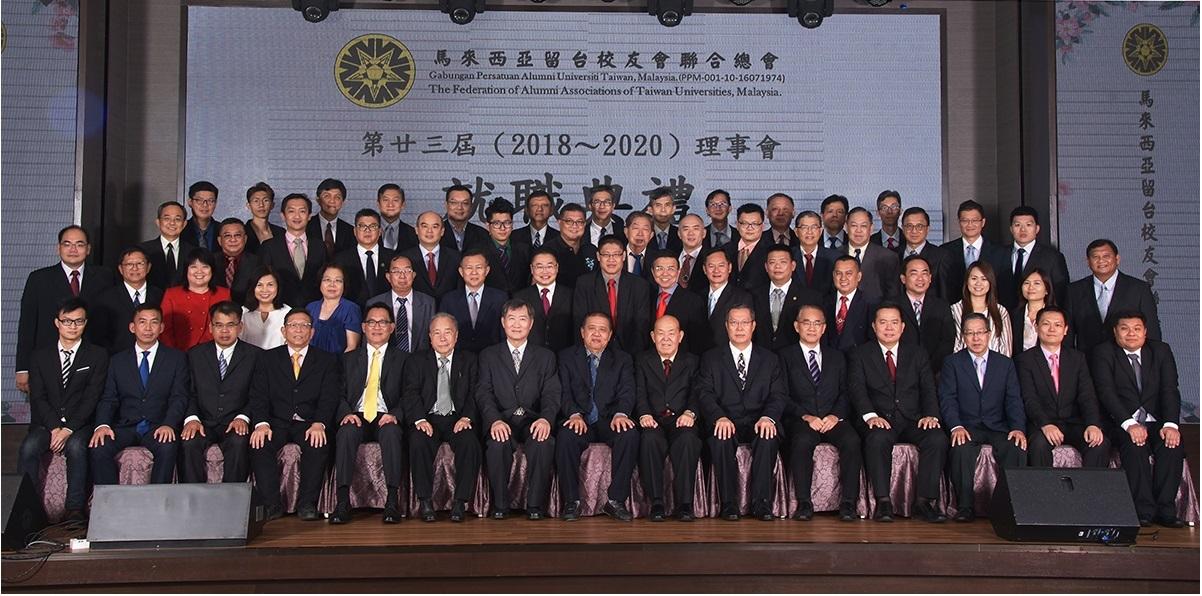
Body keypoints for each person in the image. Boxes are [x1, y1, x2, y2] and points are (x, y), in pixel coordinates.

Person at [849, 302, 947, 523]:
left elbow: (928, 388)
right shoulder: (861, 354)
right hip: (879, 419)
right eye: (883, 322)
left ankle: (924, 502)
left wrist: (931, 414)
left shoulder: (917, 353)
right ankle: (883, 502)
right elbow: (856, 389)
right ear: (874, 326)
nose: (889, 328)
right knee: (877, 438)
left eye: (894, 322)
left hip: (912, 419)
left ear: (903, 327)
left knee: (937, 438)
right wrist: (870, 416)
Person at [1092, 311, 1184, 528]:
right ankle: (1143, 510)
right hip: (1121, 422)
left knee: (1172, 447)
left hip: (1156, 421)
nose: (1131, 333)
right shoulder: (1103, 352)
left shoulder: (1161, 350)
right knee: (1135, 447)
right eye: (1124, 328)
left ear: (1145, 331)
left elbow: (1170, 389)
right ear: (1115, 331)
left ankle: (1166, 510)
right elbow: (1106, 392)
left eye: (1137, 328)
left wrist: (1171, 424)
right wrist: (1129, 423)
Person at [18, 298, 108, 521]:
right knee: (29, 448)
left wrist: (68, 428)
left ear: (85, 323)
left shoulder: (97, 355)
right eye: (67, 321)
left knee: (77, 447)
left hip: (80, 423)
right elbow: (38, 396)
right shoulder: (40, 356)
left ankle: (75, 510)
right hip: (46, 423)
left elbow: (92, 397)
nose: (73, 326)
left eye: (78, 321)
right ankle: (24, 510)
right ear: (57, 323)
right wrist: (54, 427)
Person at [695, 303, 786, 521]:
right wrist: (719, 417)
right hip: (727, 420)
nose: (739, 328)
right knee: (720, 437)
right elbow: (704, 393)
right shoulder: (711, 358)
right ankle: (728, 503)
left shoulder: (770, 359)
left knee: (768, 435)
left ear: (753, 326)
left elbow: (779, 395)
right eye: (734, 322)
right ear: (726, 326)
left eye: (744, 322)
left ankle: (761, 503)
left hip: (759, 420)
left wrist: (768, 417)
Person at [249, 309, 342, 521]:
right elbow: (258, 395)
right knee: (259, 444)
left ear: (312, 332)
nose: (298, 330)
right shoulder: (267, 359)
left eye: (304, 326)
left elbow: (330, 397)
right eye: (293, 325)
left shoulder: (326, 360)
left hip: (309, 422)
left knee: (318, 444)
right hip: (276, 422)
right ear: (283, 330)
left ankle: (307, 503)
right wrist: (261, 423)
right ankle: (271, 504)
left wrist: (320, 423)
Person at [938, 313, 1026, 522]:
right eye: (970, 333)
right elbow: (947, 399)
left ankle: (1010, 507)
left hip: (997, 426)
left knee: (1015, 447)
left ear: (989, 334)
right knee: (960, 449)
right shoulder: (952, 363)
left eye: (980, 333)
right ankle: (965, 507)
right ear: (963, 336)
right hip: (967, 426)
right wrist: (955, 426)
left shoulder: (1005, 364)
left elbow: (1014, 399)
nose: (975, 338)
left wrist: (1017, 427)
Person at [476, 305, 561, 520]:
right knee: (496, 444)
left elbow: (552, 394)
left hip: (533, 419)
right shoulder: (488, 355)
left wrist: (545, 419)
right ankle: (501, 505)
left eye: (522, 319)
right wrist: (494, 420)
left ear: (531, 324)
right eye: (511, 319)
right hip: (502, 419)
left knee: (544, 442)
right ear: (503, 322)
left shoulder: (546, 356)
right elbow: (483, 393)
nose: (516, 324)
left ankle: (534, 505)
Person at [89, 304, 189, 486]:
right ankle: (112, 503)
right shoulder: (117, 361)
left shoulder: (176, 359)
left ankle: (158, 504)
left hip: (158, 426)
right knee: (100, 446)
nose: (148, 328)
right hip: (126, 426)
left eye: (154, 323)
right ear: (132, 327)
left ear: (162, 327)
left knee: (168, 447)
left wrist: (169, 424)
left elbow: (179, 396)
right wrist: (102, 424)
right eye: (142, 322)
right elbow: (109, 398)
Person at [779, 305, 860, 522]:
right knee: (801, 442)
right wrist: (806, 416)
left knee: (852, 440)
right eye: (807, 323)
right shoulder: (784, 357)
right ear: (797, 326)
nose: (812, 328)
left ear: (824, 328)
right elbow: (781, 395)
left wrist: (835, 416)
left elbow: (846, 392)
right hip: (802, 419)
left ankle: (849, 503)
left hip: (833, 418)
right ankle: (804, 503)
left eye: (817, 323)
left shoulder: (837, 357)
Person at [556, 312, 640, 522]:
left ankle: (615, 500)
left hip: (609, 420)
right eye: (592, 328)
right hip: (580, 419)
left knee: (629, 434)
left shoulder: (622, 359)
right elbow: (563, 392)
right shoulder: (566, 357)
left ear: (610, 335)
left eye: (603, 330)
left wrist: (621, 413)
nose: (597, 334)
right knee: (566, 436)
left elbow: (628, 391)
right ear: (582, 332)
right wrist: (574, 414)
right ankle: (572, 502)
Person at [330, 304, 408, 524]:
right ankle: (343, 501)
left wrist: (395, 414)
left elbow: (409, 394)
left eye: (383, 322)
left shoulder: (404, 359)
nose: (377, 327)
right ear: (363, 327)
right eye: (371, 322)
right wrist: (346, 412)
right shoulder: (348, 359)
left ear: (392, 327)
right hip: (357, 414)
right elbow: (337, 392)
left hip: (386, 415)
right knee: (345, 433)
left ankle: (392, 501)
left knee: (392, 433)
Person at [402, 312, 481, 523]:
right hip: (429, 418)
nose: (443, 338)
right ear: (429, 336)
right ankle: (425, 501)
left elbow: (476, 393)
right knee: (418, 441)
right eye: (437, 333)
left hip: (458, 418)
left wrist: (466, 418)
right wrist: (419, 419)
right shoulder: (416, 361)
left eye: (448, 333)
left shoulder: (470, 360)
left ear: (456, 336)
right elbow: (410, 393)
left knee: (470, 442)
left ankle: (460, 502)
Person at [17, 226, 113, 393]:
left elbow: (112, 323)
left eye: (80, 244)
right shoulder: (39, 279)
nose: (73, 249)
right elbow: (27, 326)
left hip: (93, 363)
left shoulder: (105, 276)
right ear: (58, 248)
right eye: (67, 244)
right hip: (49, 363)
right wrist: (23, 368)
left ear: (88, 249)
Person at [1016, 306, 1109, 469]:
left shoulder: (1077, 358)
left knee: (1099, 444)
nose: (1052, 329)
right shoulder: (1025, 360)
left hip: (1073, 422)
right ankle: (1045, 495)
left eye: (1058, 325)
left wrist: (1093, 424)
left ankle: (1089, 494)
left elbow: (1087, 396)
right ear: (1036, 327)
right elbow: (1028, 398)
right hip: (1042, 424)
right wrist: (1045, 424)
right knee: (1038, 445)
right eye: (1046, 324)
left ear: (1065, 330)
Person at [180, 302, 260, 484]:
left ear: (240, 327)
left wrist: (243, 417)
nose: (224, 331)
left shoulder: (256, 356)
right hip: (203, 421)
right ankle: (193, 499)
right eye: (219, 325)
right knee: (189, 442)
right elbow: (188, 392)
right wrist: (192, 418)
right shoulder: (195, 354)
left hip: (235, 421)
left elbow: (258, 394)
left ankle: (233, 501)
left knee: (239, 443)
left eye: (230, 325)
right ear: (210, 327)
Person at [635, 315, 702, 522]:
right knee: (649, 440)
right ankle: (656, 502)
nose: (666, 338)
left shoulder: (692, 361)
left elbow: (698, 392)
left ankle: (685, 504)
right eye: (661, 333)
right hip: (652, 419)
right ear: (653, 336)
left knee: (688, 440)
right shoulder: (641, 360)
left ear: (680, 336)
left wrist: (690, 412)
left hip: (681, 419)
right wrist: (644, 413)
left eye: (671, 333)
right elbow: (638, 391)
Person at [1066, 239, 1161, 354]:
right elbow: (1068, 333)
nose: (1101, 260)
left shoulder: (1139, 289)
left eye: (1106, 256)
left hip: (1126, 363)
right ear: (1088, 261)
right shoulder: (1074, 291)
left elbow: (1151, 329)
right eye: (1095, 257)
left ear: (1117, 259)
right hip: (1087, 362)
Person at [572, 236, 652, 355]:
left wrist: (634, 355)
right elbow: (579, 321)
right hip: (594, 351)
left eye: (616, 254)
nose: (611, 259)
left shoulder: (639, 285)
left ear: (624, 256)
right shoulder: (584, 283)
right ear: (598, 257)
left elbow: (642, 325)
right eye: (606, 255)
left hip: (630, 353)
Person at [258, 193, 326, 307]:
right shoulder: (269, 247)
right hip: (280, 309)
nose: (297, 216)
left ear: (309, 216)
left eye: (302, 211)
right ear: (283, 216)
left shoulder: (320, 246)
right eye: (291, 211)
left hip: (314, 309)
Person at [93, 246, 161, 355]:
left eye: (140, 264)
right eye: (129, 264)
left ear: (148, 267)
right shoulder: (105, 298)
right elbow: (99, 337)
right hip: (116, 360)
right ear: (120, 269)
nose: (135, 268)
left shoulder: (161, 295)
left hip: (155, 359)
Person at [160, 248, 232, 351]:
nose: (199, 272)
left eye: (205, 267)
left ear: (212, 270)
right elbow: (165, 330)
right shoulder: (172, 294)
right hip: (179, 353)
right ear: (186, 270)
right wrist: (175, 355)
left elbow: (228, 328)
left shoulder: (224, 294)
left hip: (213, 354)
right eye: (193, 267)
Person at [752, 245, 821, 351]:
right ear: (766, 267)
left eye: (783, 262)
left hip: (794, 359)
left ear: (793, 266)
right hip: (762, 359)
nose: (777, 267)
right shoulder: (754, 295)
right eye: (772, 262)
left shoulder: (809, 297)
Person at [999, 206, 1069, 310]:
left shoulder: (1052, 257)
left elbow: (1061, 292)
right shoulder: (998, 253)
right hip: (1004, 315)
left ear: (1037, 229)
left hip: (1039, 317)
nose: (1023, 229)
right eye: (1017, 225)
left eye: (1028, 225)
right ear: (1011, 229)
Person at [895, 254, 957, 371]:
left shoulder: (941, 306)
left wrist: (928, 368)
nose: (920, 278)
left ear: (930, 278)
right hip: (901, 372)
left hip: (935, 372)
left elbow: (947, 341)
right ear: (903, 279)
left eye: (924, 273)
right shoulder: (892, 306)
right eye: (914, 274)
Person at [941, 200, 1009, 301]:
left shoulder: (1000, 252)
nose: (970, 224)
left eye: (975, 220)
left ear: (983, 222)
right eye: (965, 221)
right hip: (953, 310)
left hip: (989, 310)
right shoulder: (945, 251)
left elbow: (1004, 287)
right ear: (959, 222)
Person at [439, 249, 505, 352]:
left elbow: (503, 333)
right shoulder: (449, 300)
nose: (474, 272)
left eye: (478, 267)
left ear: (487, 270)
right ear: (461, 272)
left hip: (491, 357)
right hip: (459, 358)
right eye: (469, 268)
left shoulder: (500, 298)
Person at [368, 254, 435, 353]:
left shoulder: (428, 302)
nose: (402, 276)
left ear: (413, 275)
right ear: (388, 277)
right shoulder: (374, 303)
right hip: (386, 360)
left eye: (407, 271)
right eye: (396, 271)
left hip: (419, 360)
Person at [514, 249, 574, 353]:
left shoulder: (571, 294)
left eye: (549, 266)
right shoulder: (520, 296)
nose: (545, 271)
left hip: (564, 354)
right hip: (532, 355)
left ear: (557, 268)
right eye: (539, 267)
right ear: (532, 269)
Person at [332, 209, 393, 310]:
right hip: (351, 312)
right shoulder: (341, 259)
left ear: (380, 231)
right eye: (362, 226)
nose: (367, 230)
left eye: (372, 226)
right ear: (355, 231)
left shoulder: (391, 258)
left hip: (385, 315)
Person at [648, 254, 708, 356]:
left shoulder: (693, 301)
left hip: (683, 364)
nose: (665, 273)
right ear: (653, 272)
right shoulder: (647, 297)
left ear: (678, 272)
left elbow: (697, 341)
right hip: (649, 362)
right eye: (659, 268)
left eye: (670, 269)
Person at [950, 261, 1012, 356]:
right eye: (974, 278)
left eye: (984, 279)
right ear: (967, 281)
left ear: (990, 282)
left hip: (995, 367)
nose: (978, 283)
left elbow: (1006, 349)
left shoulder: (1001, 311)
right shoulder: (954, 310)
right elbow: (953, 345)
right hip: (962, 367)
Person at [844, 207, 900, 303]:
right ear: (846, 227)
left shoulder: (888, 257)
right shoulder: (834, 255)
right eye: (854, 226)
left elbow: (893, 296)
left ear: (871, 228)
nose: (858, 230)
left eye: (863, 226)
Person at [701, 249, 752, 354]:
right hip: (699, 356)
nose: (716, 270)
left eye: (721, 265)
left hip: (726, 358)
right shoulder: (697, 296)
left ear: (729, 268)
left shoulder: (742, 297)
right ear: (704, 269)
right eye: (711, 266)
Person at [403, 211, 462, 300]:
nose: (429, 231)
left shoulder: (456, 258)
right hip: (417, 311)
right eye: (424, 226)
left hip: (448, 311)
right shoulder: (405, 258)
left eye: (435, 227)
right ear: (416, 230)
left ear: (442, 231)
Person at [899, 207, 954, 301]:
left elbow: (944, 293)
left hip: (930, 313)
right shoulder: (892, 255)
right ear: (903, 228)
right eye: (909, 226)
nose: (914, 231)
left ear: (928, 229)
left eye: (919, 226)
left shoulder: (941, 256)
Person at [305, 263, 362, 354]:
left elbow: (352, 347)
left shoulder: (351, 309)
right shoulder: (310, 308)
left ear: (344, 285)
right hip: (311, 363)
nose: (332, 285)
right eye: (327, 280)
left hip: (339, 364)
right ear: (320, 283)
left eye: (338, 281)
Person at [824, 256, 875, 352]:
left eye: (849, 273)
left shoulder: (870, 303)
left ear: (859, 276)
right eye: (839, 273)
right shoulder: (823, 302)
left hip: (859, 361)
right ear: (833, 275)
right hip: (830, 362)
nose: (843, 278)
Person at [482, 198, 532, 293]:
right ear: (488, 226)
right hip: (491, 305)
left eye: (507, 223)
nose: (503, 228)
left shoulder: (524, 250)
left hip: (520, 304)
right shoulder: (479, 251)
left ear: (512, 224)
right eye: (496, 223)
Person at [141, 201, 194, 289]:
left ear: (184, 224)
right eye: (167, 218)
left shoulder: (193, 252)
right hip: (152, 301)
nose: (172, 223)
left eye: (177, 219)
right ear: (158, 222)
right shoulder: (143, 250)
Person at [544, 202, 598, 283]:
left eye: (579, 222)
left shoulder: (591, 250)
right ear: (559, 223)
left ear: (584, 224)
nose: (574, 226)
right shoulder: (547, 251)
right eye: (569, 221)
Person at [239, 269, 291, 350]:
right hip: (249, 360)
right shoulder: (242, 312)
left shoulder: (288, 312)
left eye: (270, 285)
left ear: (278, 286)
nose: (264, 290)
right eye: (259, 285)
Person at [791, 211, 838, 297]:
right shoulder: (788, 256)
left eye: (814, 227)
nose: (809, 232)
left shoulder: (834, 257)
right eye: (804, 227)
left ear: (820, 231)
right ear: (796, 232)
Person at [724, 204, 771, 290]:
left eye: (755, 224)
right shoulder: (725, 250)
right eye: (744, 223)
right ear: (737, 225)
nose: (750, 228)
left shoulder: (771, 251)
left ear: (762, 226)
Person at [215, 218, 261, 304]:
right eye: (227, 236)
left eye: (238, 235)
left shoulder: (257, 262)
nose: (233, 240)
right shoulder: (209, 262)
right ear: (219, 240)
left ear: (245, 239)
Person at [307, 178, 355, 260]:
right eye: (327, 196)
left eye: (337, 197)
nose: (332, 201)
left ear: (343, 202)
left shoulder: (350, 231)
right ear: (318, 200)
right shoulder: (306, 226)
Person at [1011, 268, 1055, 357]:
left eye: (1037, 283)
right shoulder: (1013, 315)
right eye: (1026, 283)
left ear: (1047, 289)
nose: (1031, 287)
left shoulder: (1056, 316)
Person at [441, 184, 491, 253]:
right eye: (454, 203)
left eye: (465, 203)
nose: (459, 207)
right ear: (446, 205)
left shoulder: (482, 234)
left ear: (471, 206)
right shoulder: (435, 232)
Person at [242, 182, 283, 255]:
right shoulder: (242, 232)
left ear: (272, 205)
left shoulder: (281, 232)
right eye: (256, 201)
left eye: (266, 200)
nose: (261, 205)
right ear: (248, 205)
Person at [376, 183, 419, 252]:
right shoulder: (367, 231)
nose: (390, 204)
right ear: (378, 204)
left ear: (403, 205)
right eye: (386, 200)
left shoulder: (413, 234)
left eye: (395, 200)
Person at [182, 181, 220, 253]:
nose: (205, 205)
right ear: (190, 202)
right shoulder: (181, 230)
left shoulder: (223, 230)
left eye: (210, 201)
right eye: (199, 200)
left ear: (215, 203)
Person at [674, 214, 708, 294]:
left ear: (704, 233)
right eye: (686, 229)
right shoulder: (671, 256)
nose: (691, 233)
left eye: (696, 229)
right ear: (679, 234)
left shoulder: (710, 258)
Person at [647, 189, 682, 255]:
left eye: (667, 205)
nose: (663, 210)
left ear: (673, 209)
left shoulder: (680, 234)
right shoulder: (644, 234)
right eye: (658, 205)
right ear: (650, 210)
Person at [623, 212, 657, 281]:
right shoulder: (616, 256)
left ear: (651, 235)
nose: (640, 234)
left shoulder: (657, 258)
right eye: (635, 228)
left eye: (645, 229)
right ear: (626, 232)